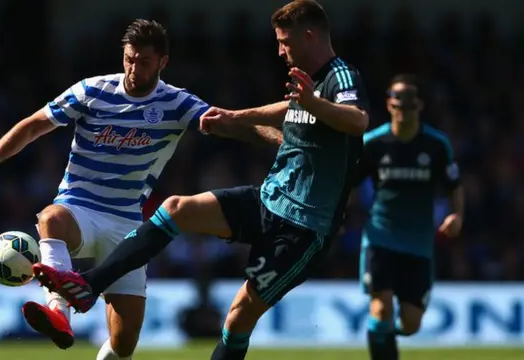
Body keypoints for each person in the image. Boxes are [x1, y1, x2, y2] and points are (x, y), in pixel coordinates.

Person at [33, 1, 369, 359]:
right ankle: (88, 286)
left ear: (310, 35)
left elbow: (357, 119)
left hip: (305, 227)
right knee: (176, 208)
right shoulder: (308, 82)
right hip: (269, 199)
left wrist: (314, 104)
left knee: (239, 317)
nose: (280, 50)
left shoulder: (341, 76)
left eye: (285, 41)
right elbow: (289, 109)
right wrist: (237, 116)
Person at [0, 19, 280, 358]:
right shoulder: (92, 90)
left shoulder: (176, 103)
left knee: (124, 343)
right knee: (51, 217)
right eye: (129, 58)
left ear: (163, 62)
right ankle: (58, 314)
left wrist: (282, 142)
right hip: (79, 206)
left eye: (144, 62)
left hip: (126, 223)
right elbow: (35, 124)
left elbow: (229, 124)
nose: (134, 68)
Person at [356, 74, 464, 360]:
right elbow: (348, 183)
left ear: (420, 104)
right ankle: (381, 339)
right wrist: (339, 215)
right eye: (397, 100)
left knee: (412, 324)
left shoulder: (436, 145)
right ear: (389, 104)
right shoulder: (373, 143)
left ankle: (381, 336)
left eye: (409, 100)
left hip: (418, 243)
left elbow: (454, 186)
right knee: (381, 308)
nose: (403, 106)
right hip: (380, 235)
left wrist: (457, 215)